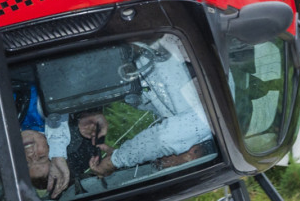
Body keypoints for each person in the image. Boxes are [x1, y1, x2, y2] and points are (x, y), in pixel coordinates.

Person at [87, 38, 214, 178]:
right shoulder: (210, 123)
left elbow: (137, 92)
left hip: (126, 45)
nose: (158, 161)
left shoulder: (181, 114)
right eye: (164, 167)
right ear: (192, 157)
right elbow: (163, 140)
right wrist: (115, 160)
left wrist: (92, 111)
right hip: (151, 31)